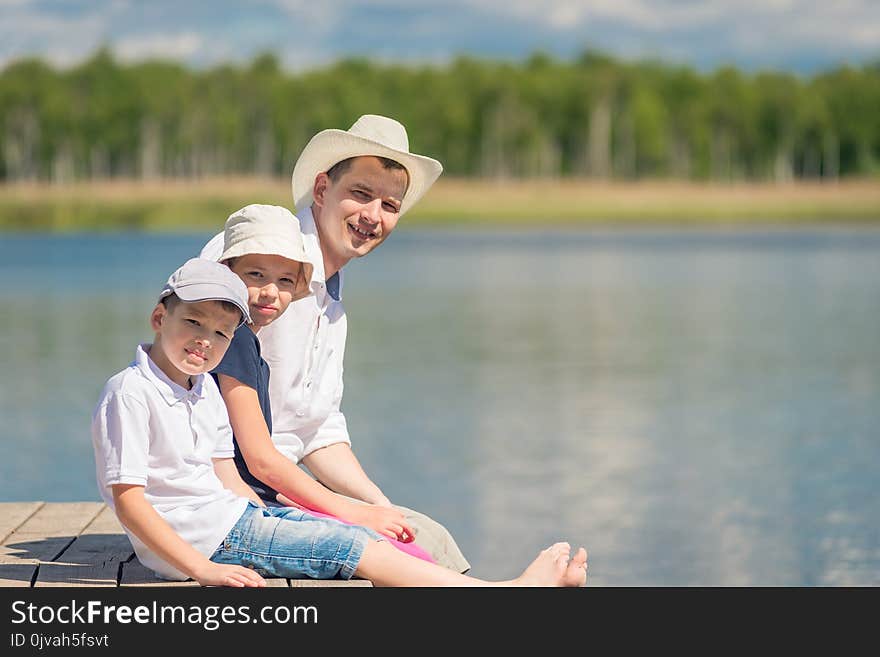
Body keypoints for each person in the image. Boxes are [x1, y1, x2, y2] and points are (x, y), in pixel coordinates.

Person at [90, 257, 588, 586]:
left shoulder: (202, 391)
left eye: (221, 334)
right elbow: (129, 500)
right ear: (160, 317)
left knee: (358, 535)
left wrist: (278, 519)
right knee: (346, 545)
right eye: (192, 323)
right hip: (199, 543)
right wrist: (202, 569)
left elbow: (226, 475)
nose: (204, 341)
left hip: (229, 521)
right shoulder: (131, 393)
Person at [200, 114, 469, 571]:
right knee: (404, 553)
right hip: (233, 497)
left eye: (390, 204)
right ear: (322, 189)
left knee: (424, 535)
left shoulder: (330, 301)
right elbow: (240, 442)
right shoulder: (259, 262)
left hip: (279, 487)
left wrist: (382, 507)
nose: (372, 216)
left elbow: (316, 430)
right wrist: (352, 511)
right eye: (361, 194)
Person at [211, 202, 433, 562]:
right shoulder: (233, 341)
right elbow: (258, 461)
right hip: (236, 513)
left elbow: (314, 431)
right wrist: (354, 512)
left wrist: (374, 504)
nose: (270, 291)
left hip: (259, 497)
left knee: (410, 544)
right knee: (388, 551)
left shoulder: (248, 341)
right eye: (255, 275)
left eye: (285, 281)